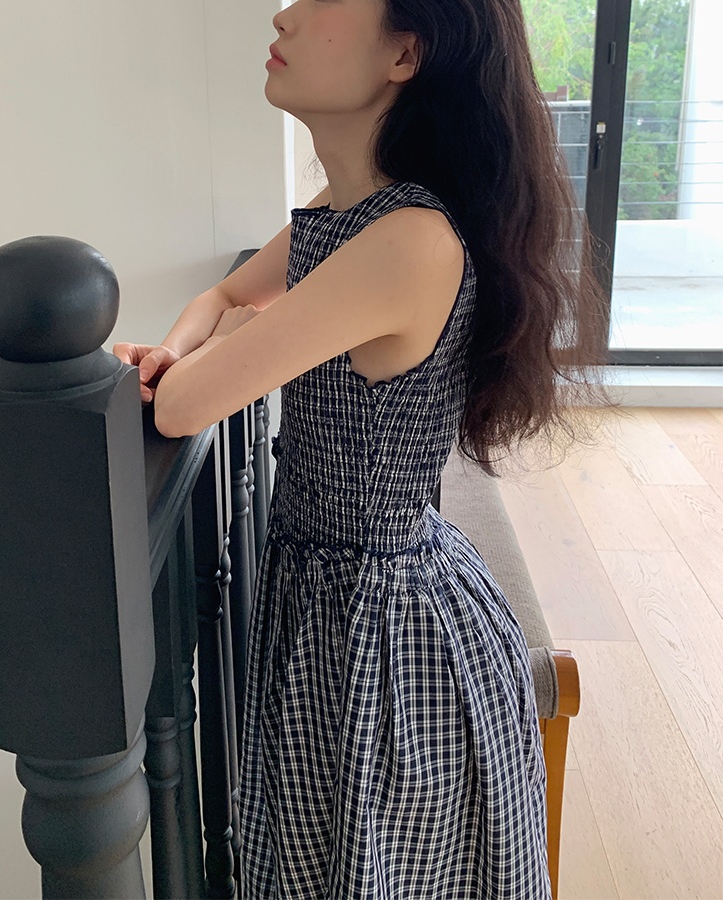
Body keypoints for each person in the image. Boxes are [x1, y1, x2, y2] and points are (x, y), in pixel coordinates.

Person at [115, 0, 608, 896]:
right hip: (328, 600)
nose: (285, 15)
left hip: (386, 632)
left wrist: (190, 361)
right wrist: (182, 346)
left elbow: (185, 407)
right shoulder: (346, 215)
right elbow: (224, 298)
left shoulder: (409, 243)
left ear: (405, 54)